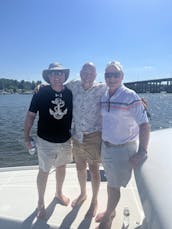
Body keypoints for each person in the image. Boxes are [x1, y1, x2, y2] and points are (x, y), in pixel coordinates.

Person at [95, 61, 150, 229]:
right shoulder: (104, 94)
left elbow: (144, 124)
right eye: (107, 75)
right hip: (107, 147)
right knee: (111, 182)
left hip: (122, 149)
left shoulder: (130, 96)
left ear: (122, 77)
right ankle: (110, 211)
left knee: (113, 186)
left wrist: (142, 151)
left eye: (115, 75)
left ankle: (108, 218)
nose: (111, 78)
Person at [24, 62, 73, 219]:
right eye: (53, 74)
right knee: (43, 171)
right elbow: (31, 115)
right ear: (48, 77)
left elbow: (93, 89)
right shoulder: (41, 92)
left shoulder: (71, 93)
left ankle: (58, 193)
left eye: (60, 73)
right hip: (45, 141)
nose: (57, 76)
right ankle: (40, 202)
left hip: (66, 140)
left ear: (65, 76)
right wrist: (26, 136)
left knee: (61, 167)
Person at [66, 62, 106, 217]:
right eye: (85, 71)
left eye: (91, 72)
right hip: (76, 135)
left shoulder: (102, 88)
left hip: (93, 136)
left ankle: (94, 201)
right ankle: (83, 194)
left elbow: (119, 91)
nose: (88, 75)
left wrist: (137, 100)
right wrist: (41, 87)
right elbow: (57, 85)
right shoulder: (73, 85)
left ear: (96, 75)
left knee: (94, 170)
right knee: (80, 167)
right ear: (80, 72)